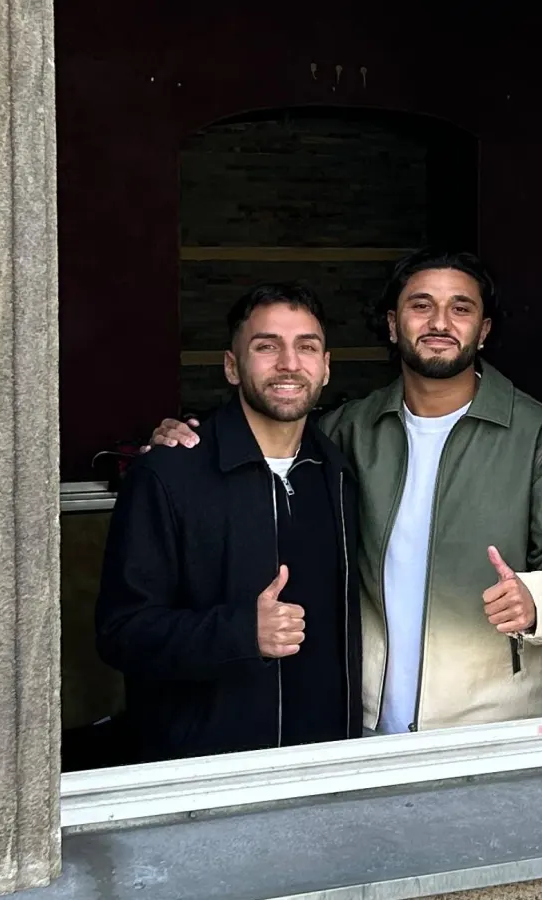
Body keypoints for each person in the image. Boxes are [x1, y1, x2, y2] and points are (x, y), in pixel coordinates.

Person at [150, 250, 542, 734]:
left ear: (483, 330)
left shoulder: (536, 434)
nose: (440, 322)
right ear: (391, 323)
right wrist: (189, 437)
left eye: (461, 308)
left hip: (490, 724)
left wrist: (537, 602)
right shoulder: (347, 430)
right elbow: (272, 422)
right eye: (421, 305)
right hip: (360, 721)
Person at [99, 283, 361, 761]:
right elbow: (122, 634)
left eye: (307, 346)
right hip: (205, 773)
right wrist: (241, 632)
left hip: (324, 767)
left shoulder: (339, 475)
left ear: (326, 367)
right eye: (266, 346)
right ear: (231, 366)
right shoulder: (167, 475)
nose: (289, 363)